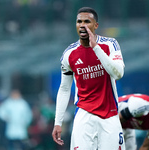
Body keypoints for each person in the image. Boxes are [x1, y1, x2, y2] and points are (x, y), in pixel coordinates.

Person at [52, 7, 125, 150]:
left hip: (109, 115)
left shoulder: (110, 44)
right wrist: (58, 122)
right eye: (79, 21)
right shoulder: (69, 54)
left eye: (87, 21)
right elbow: (65, 88)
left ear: (95, 25)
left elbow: (119, 73)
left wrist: (96, 48)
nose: (82, 25)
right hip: (84, 115)